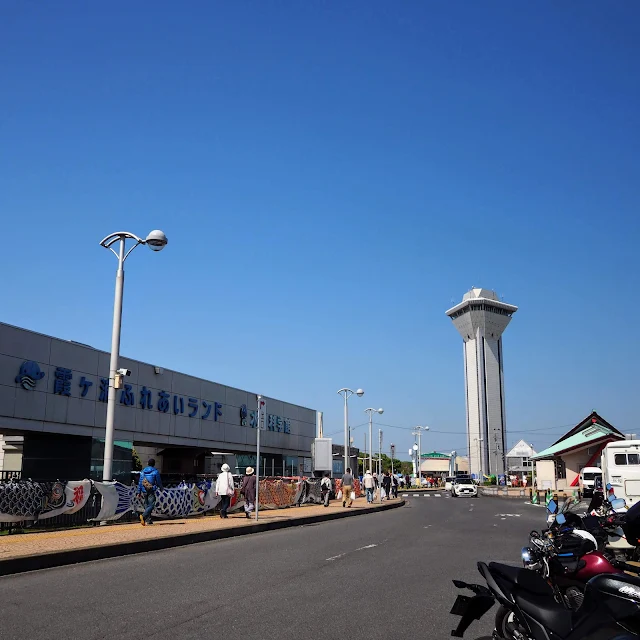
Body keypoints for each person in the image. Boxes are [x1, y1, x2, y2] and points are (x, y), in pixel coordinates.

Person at [138, 458, 163, 526]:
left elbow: (140, 482)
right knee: (152, 505)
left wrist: (139, 492)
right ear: (154, 464)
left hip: (144, 490)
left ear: (148, 463)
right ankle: (143, 516)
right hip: (151, 490)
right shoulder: (155, 471)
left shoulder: (142, 472)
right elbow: (159, 481)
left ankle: (148, 520)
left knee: (146, 504)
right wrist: (161, 488)